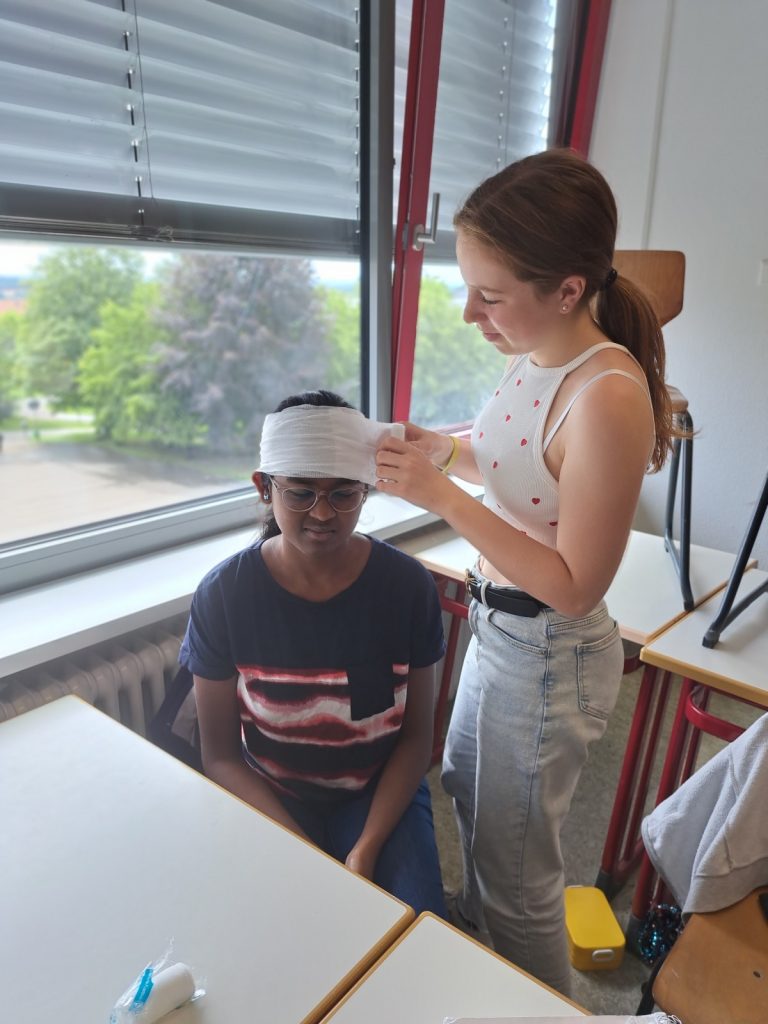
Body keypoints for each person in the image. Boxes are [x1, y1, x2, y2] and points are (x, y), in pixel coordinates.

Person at [375, 148, 675, 993]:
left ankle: (534, 997)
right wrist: (445, 451)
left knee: (520, 880)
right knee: (468, 793)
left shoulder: (607, 396)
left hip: (549, 650)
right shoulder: (532, 348)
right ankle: (486, 955)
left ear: (568, 289)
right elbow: (515, 460)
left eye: (490, 294)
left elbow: (577, 583)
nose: (470, 312)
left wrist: (439, 495)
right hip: (499, 625)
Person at [179, 390, 447, 916]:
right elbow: (221, 756)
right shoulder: (225, 594)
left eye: (343, 494)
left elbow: (417, 737)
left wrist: (366, 847)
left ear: (366, 490)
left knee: (416, 927)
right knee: (273, 933)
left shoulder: (406, 587)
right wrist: (304, 852)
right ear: (264, 488)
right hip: (270, 792)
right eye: (300, 493)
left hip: (376, 793)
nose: (322, 513)